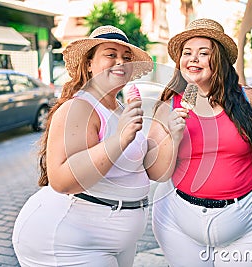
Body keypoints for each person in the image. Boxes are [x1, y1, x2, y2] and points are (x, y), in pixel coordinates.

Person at [144, 18, 252, 266]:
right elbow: (155, 171)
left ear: (218, 60)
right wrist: (172, 137)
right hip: (180, 223)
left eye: (203, 53)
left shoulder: (247, 99)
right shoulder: (169, 104)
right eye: (187, 53)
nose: (193, 59)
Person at [12, 25, 153, 266]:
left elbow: (143, 168)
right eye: (111, 54)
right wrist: (119, 139)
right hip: (69, 242)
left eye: (126, 58)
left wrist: (167, 132)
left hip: (116, 240)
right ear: (88, 63)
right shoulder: (78, 108)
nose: (120, 62)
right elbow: (62, 181)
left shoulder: (120, 109)